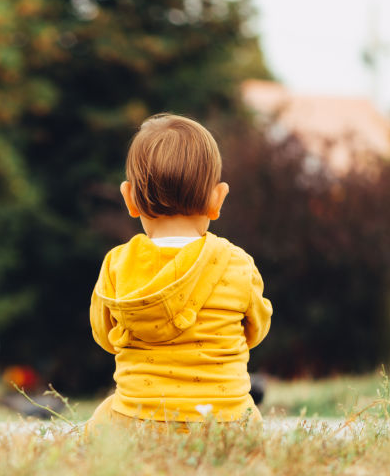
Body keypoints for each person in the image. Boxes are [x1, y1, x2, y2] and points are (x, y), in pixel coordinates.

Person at [87, 113, 272, 432]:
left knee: (101, 422)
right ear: (218, 198)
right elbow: (255, 330)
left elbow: (105, 337)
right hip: (225, 424)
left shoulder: (117, 265)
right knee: (249, 417)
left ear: (129, 199)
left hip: (139, 424)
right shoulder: (238, 264)